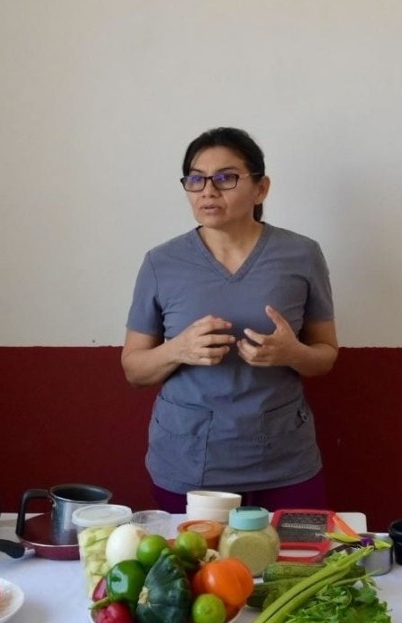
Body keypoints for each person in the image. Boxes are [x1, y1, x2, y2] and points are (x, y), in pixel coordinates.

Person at [122, 127, 339, 513]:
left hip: (284, 461)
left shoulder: (302, 255)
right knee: (197, 570)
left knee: (292, 566)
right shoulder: (161, 263)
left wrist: (292, 353)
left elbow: (325, 355)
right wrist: (179, 349)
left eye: (226, 177)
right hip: (190, 462)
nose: (208, 190)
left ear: (261, 188)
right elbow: (134, 369)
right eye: (195, 178)